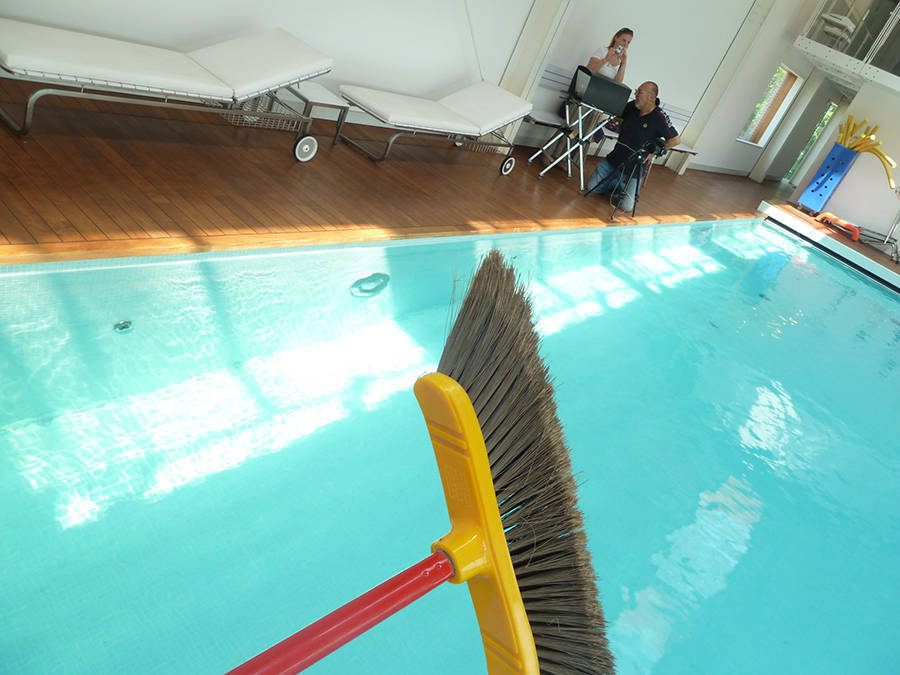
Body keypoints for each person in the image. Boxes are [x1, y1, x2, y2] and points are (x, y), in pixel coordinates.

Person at [585, 81, 681, 212]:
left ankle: (619, 186)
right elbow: (615, 114)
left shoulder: (659, 117)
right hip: (614, 159)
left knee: (626, 207)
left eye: (639, 92)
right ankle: (616, 184)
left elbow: (675, 140)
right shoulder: (632, 106)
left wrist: (654, 153)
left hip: (633, 169)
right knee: (591, 187)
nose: (635, 94)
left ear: (651, 97)